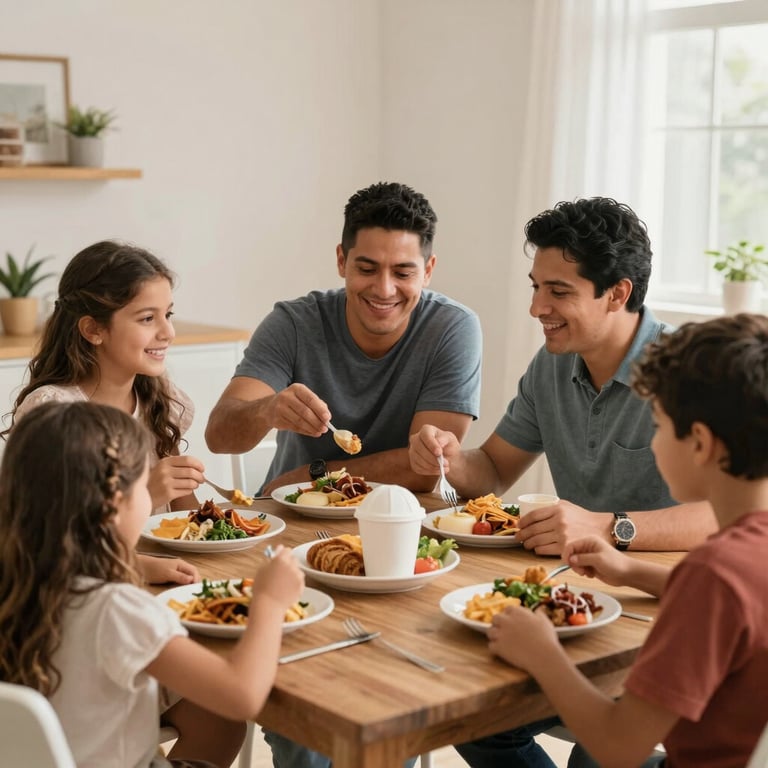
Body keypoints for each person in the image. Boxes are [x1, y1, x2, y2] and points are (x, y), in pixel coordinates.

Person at [488, 313, 768, 767]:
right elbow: (738, 607)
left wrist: (543, 654)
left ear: (699, 443)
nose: (654, 442)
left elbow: (619, 746)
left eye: (658, 426)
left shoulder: (714, 574)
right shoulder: (741, 561)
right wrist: (630, 571)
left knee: (588, 758)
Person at [0, 401, 305, 767]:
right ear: (115, 505)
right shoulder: (118, 609)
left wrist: (138, 564)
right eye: (144, 487)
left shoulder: (19, 584)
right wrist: (269, 601)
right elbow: (242, 696)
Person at [409, 197, 717, 558]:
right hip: (580, 581)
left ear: (618, 293)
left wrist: (606, 527)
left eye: (558, 291)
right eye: (536, 287)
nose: (536, 308)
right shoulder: (552, 364)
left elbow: (737, 512)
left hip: (673, 587)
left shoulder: (696, 369)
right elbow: (493, 470)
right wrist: (450, 459)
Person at [205, 181, 482, 496]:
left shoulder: (451, 329)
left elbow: (425, 468)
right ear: (342, 261)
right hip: (294, 514)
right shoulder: (293, 324)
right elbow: (219, 437)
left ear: (428, 270)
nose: (384, 289)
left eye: (403, 274)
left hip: (397, 517)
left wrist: (310, 476)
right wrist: (268, 410)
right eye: (367, 269)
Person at [2, 240, 207, 586]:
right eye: (147, 318)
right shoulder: (54, 411)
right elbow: (49, 543)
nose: (168, 332)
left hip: (159, 576)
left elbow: (186, 520)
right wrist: (150, 495)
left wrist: (188, 495)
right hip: (81, 590)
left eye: (167, 314)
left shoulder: (162, 400)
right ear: (93, 330)